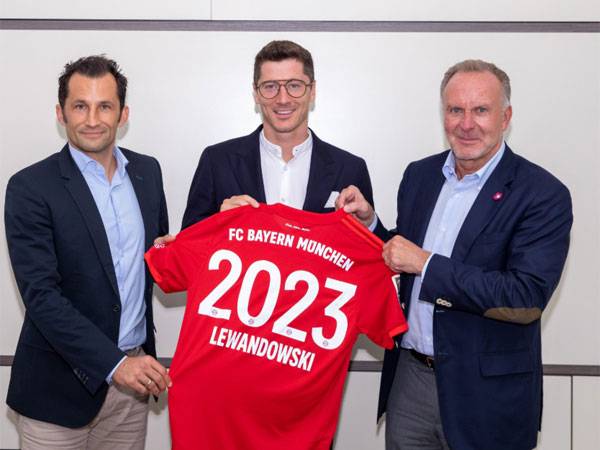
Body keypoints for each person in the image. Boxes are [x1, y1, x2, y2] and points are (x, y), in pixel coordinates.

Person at [336, 59, 573, 450]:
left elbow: (526, 297)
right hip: (410, 381)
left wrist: (427, 265)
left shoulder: (542, 194)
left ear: (505, 117)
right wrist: (371, 224)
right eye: (455, 110)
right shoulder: (419, 175)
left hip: (487, 396)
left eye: (480, 110)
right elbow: (404, 255)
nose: (466, 124)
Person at [4, 55, 171, 450]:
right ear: (60, 113)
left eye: (104, 106)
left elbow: (158, 257)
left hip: (130, 393)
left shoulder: (148, 173)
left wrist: (228, 224)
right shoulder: (30, 186)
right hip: (56, 391)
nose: (92, 119)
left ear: (123, 114)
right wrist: (115, 364)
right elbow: (41, 296)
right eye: (80, 106)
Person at [180, 39, 376, 229]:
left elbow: (376, 248)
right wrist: (218, 223)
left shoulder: (350, 168)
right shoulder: (216, 162)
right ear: (256, 93)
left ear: (312, 91)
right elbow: (187, 242)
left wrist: (369, 222)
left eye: (294, 85)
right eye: (270, 86)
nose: (283, 99)